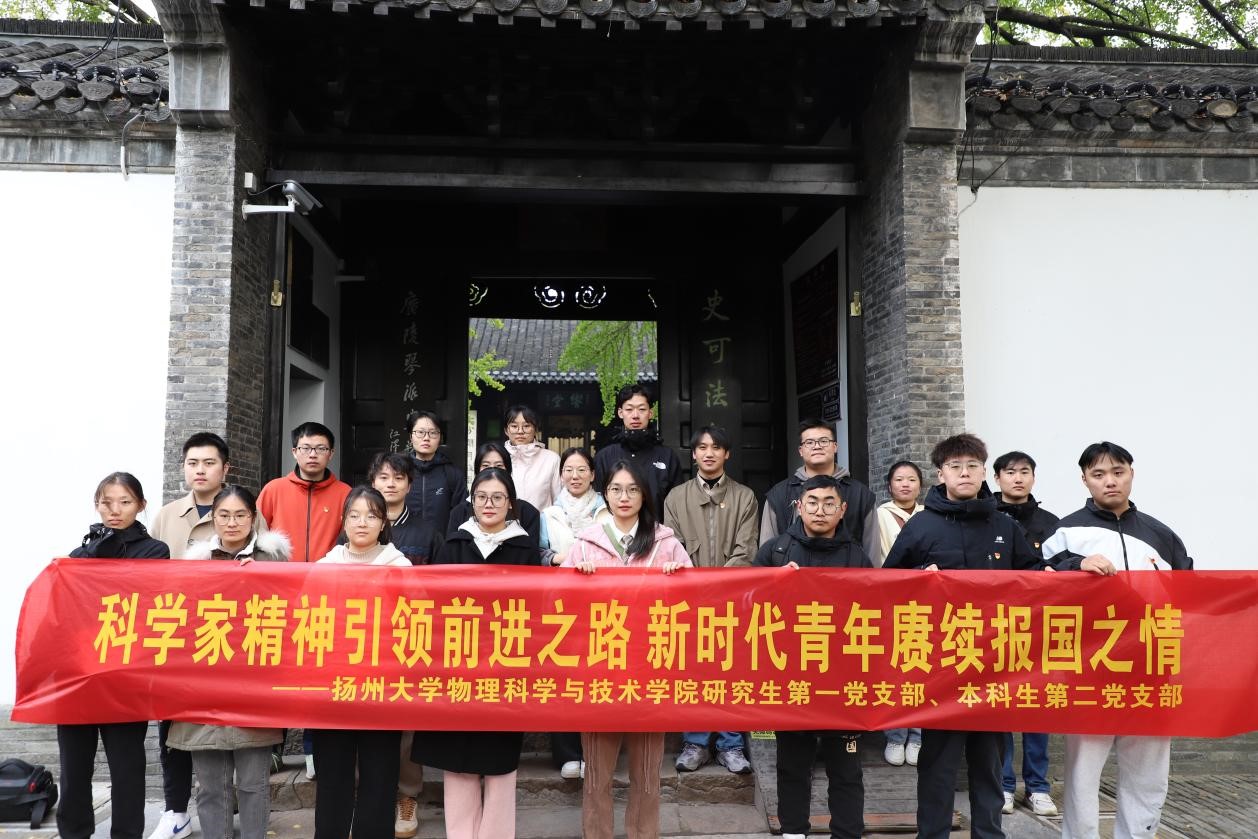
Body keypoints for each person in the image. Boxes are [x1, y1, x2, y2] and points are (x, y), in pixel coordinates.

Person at [883, 433, 1048, 839]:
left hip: (993, 665)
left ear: (983, 472)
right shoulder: (921, 525)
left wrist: (1073, 567)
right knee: (937, 766)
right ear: (940, 474)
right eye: (955, 466)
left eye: (972, 466)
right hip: (939, 668)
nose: (964, 473)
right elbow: (886, 586)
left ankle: (989, 834)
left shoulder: (1004, 525)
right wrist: (917, 581)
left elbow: (1036, 575)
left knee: (989, 766)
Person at [1042, 441, 1192, 839]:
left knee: (1148, 772)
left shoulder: (1162, 534)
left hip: (1150, 667)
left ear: (1131, 474)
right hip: (1089, 667)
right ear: (1084, 480)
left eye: (1118, 472)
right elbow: (1037, 581)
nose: (1110, 481)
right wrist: (1075, 564)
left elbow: (1189, 592)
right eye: (1099, 474)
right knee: (1082, 772)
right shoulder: (1065, 531)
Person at [563, 460, 691, 839]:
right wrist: (576, 578)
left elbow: (693, 602)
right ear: (605, 493)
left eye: (633, 489)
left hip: (650, 668)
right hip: (599, 669)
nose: (624, 497)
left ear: (645, 495)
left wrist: (678, 579)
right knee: (597, 775)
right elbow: (558, 603)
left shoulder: (666, 542)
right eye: (616, 489)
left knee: (647, 775)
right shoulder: (586, 542)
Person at [412, 468, 538, 839]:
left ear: (510, 503)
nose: (489, 504)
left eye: (497, 497)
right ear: (471, 501)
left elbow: (537, 611)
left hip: (505, 668)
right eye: (481, 496)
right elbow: (434, 605)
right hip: (458, 667)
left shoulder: (525, 549)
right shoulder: (453, 545)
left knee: (500, 762)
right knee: (457, 761)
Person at [170, 485, 288, 839]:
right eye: (224, 515)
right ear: (213, 518)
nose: (232, 523)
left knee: (253, 784)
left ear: (253, 518)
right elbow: (180, 622)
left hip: (254, 689)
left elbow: (292, 616)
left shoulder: (276, 562)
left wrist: (263, 579)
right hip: (203, 687)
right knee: (210, 786)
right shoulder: (195, 564)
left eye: (240, 515)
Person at [755, 474, 869, 839]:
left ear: (842, 509)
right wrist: (774, 583)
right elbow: (747, 606)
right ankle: (793, 832)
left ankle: (847, 832)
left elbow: (876, 613)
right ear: (799, 507)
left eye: (829, 503)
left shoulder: (857, 557)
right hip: (791, 677)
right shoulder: (774, 552)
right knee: (792, 765)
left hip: (843, 680)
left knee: (847, 769)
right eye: (813, 503)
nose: (820, 511)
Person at [57, 473, 168, 839]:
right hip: (79, 677)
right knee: (74, 768)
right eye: (107, 503)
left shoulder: (155, 551)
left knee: (127, 768)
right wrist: (94, 552)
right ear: (97, 505)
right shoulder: (78, 555)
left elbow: (140, 602)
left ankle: (127, 834)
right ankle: (74, 833)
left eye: (125, 502)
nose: (115, 510)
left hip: (126, 677)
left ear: (141, 505)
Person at [147, 432, 237, 839]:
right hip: (177, 635)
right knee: (173, 725)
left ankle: (228, 807)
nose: (200, 470)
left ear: (225, 468)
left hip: (226, 635)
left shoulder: (241, 509)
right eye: (193, 463)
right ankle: (176, 810)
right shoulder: (167, 516)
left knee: (226, 722)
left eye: (209, 463)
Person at [312, 487, 409, 839]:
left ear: (384, 523)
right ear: (343, 521)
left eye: (371, 515)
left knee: (380, 775)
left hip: (382, 686)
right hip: (333, 686)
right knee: (332, 775)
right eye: (354, 515)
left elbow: (412, 622)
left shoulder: (401, 567)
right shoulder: (324, 567)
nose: (362, 522)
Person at [664, 425, 758, 775]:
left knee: (732, 669)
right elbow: (672, 548)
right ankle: (696, 743)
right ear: (693, 454)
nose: (709, 453)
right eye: (702, 447)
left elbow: (746, 549)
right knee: (694, 670)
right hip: (688, 599)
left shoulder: (745, 497)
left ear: (726, 454)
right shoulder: (676, 498)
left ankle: (731, 745)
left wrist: (718, 586)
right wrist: (697, 586)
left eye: (716, 447)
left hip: (732, 597)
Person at [991, 450, 1060, 818]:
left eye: (1024, 472)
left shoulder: (1051, 523)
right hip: (995, 626)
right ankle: (1003, 785)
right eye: (1010, 472)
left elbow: (1064, 568)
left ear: (1033, 477)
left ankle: (1038, 787)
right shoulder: (985, 518)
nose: (1017, 478)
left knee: (1037, 708)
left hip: (1039, 626)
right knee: (1001, 707)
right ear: (997, 477)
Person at [537, 446, 609, 780]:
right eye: (568, 470)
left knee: (599, 677)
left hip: (603, 604)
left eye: (582, 470)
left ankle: (596, 751)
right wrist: (557, 558)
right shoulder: (549, 513)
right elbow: (538, 553)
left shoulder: (608, 510)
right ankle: (567, 753)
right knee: (563, 677)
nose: (575, 476)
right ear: (561, 475)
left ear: (593, 474)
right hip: (561, 604)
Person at [759, 418, 877, 564]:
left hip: (846, 574)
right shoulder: (779, 494)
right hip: (793, 575)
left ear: (835, 446)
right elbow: (767, 551)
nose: (817, 446)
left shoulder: (861, 494)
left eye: (823, 441)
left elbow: (872, 552)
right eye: (809, 442)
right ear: (800, 451)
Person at [874, 460, 924, 768]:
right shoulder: (879, 516)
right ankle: (894, 736)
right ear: (890, 485)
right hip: (890, 600)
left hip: (926, 602)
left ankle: (917, 736)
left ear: (921, 485)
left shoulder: (930, 516)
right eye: (899, 479)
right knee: (893, 670)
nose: (905, 484)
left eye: (911, 479)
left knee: (921, 668)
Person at [257, 421, 351, 564]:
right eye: (306, 448)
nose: (312, 454)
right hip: (280, 573)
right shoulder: (273, 490)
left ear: (331, 453)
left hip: (328, 573)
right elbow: (255, 533)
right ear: (294, 452)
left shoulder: (345, 493)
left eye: (321, 449)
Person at [592, 383, 683, 518]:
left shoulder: (667, 457)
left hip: (658, 530)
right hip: (615, 531)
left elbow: (678, 505)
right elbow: (598, 504)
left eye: (641, 409)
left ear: (650, 413)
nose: (635, 415)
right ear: (620, 413)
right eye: (629, 409)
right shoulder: (605, 457)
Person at [445, 442, 541, 549]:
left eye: (499, 466)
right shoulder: (459, 512)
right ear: (477, 470)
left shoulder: (528, 512)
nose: (492, 471)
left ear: (509, 470)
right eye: (485, 466)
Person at [366, 451, 440, 565]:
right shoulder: (357, 529)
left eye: (398, 478)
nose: (391, 484)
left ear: (409, 486)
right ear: (373, 484)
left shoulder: (428, 534)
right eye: (384, 477)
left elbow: (441, 574)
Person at [404, 410, 467, 533]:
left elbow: (461, 515)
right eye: (420, 432)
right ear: (411, 436)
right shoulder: (400, 472)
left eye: (433, 433)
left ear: (440, 438)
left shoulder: (452, 474)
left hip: (442, 543)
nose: (426, 438)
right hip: (403, 543)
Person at [503, 404, 561, 510]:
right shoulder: (498, 458)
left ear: (536, 429)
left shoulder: (551, 459)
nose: (520, 431)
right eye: (514, 426)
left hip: (541, 520)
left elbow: (559, 500)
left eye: (526, 426)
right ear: (506, 430)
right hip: (505, 520)